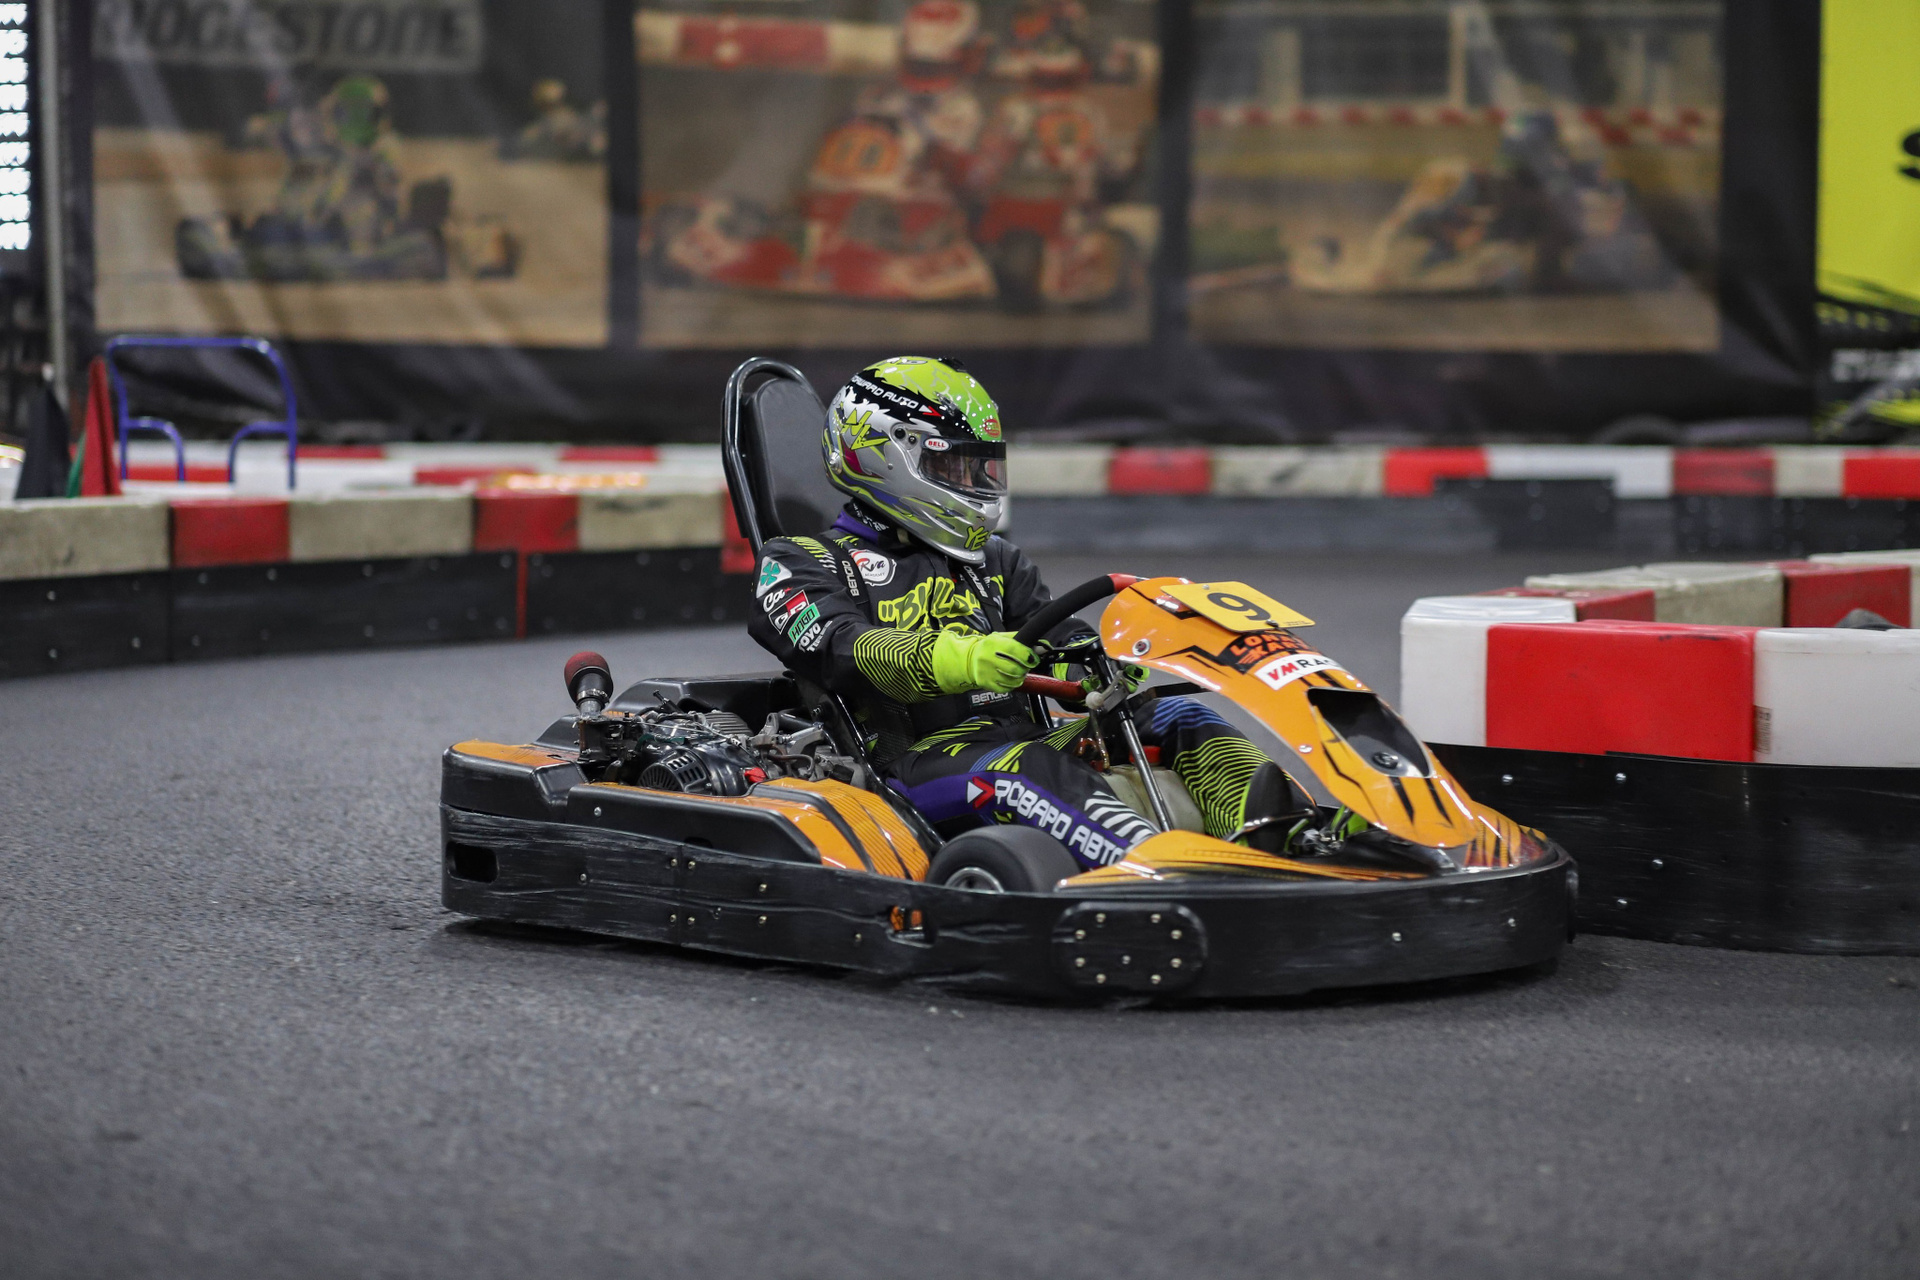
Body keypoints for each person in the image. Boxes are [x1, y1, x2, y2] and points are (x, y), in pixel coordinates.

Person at [746, 356, 1312, 870]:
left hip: (1025, 741)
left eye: (980, 468)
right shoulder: (799, 562)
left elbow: (1060, 640)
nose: (975, 484)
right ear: (884, 455)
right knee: (1031, 770)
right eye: (954, 467)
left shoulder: (994, 560)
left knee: (1178, 719)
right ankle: (1166, 869)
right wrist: (965, 659)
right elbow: (845, 649)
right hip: (911, 768)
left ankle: (1295, 838)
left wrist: (1101, 669)